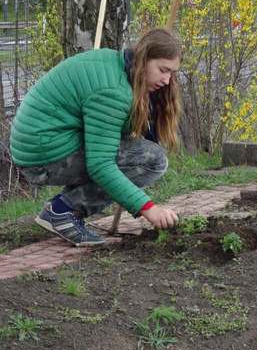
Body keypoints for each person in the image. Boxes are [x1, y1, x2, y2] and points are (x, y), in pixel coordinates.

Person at [10, 28, 183, 246]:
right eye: (163, 70)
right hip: (43, 154)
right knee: (151, 160)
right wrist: (148, 208)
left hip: (45, 142)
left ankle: (62, 208)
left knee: (140, 152)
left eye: (172, 73)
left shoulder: (116, 65)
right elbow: (101, 164)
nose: (167, 80)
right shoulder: (114, 91)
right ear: (143, 59)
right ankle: (62, 211)